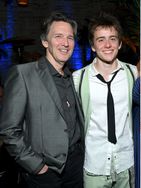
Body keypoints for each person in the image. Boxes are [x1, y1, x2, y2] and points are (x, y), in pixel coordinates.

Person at [0, 12, 84, 188]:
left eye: (70, 37)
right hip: (44, 173)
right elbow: (9, 130)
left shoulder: (74, 77)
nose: (65, 43)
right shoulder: (23, 74)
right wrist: (37, 167)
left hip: (76, 167)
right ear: (45, 41)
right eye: (58, 36)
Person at [72, 13, 137, 188]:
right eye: (101, 40)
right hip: (95, 166)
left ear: (120, 43)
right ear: (93, 46)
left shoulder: (134, 74)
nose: (107, 45)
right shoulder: (78, 78)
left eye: (112, 39)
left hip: (126, 164)